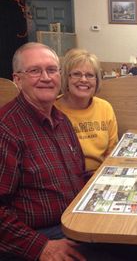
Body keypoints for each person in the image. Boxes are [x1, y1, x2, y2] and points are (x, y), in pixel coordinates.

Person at [0, 42, 86, 260]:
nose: (46, 78)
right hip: (40, 236)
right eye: (35, 71)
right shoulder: (6, 129)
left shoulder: (61, 120)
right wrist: (41, 247)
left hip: (74, 222)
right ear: (17, 80)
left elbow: (77, 176)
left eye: (51, 70)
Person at [55, 48, 118, 178]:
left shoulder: (105, 108)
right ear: (66, 77)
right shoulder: (52, 110)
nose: (84, 80)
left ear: (97, 80)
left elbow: (112, 153)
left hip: (99, 177)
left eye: (90, 75)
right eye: (76, 74)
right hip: (67, 180)